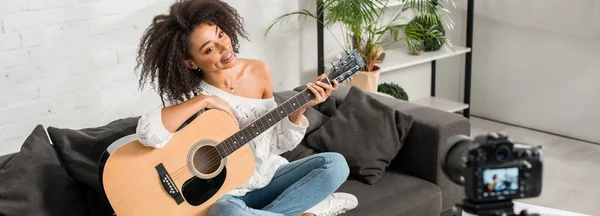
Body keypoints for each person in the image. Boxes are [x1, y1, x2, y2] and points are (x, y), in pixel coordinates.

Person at [134, 0, 358, 215]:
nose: (224, 47)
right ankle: (308, 210)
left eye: (221, 34)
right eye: (209, 48)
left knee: (336, 165)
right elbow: (147, 133)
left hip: (268, 178)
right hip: (223, 197)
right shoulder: (191, 95)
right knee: (226, 212)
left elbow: (277, 143)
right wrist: (205, 101)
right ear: (191, 63)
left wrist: (303, 106)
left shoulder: (258, 71)